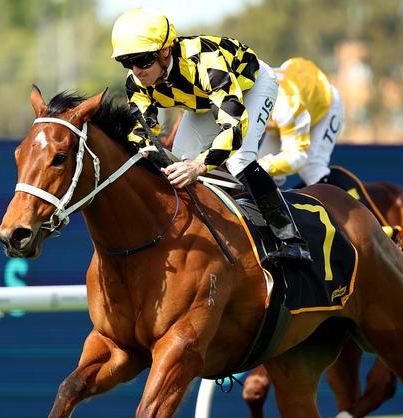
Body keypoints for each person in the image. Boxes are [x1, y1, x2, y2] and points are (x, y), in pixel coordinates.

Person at [110, 7, 311, 263]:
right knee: (178, 160)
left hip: (251, 87)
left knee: (239, 160)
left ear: (165, 51)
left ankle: (291, 239)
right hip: (204, 101)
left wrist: (199, 165)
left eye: (143, 60)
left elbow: (234, 128)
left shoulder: (207, 63)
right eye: (127, 62)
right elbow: (143, 131)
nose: (136, 70)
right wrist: (146, 150)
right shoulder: (135, 82)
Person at [258, 57, 344, 187]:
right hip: (285, 109)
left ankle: (338, 204)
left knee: (311, 168)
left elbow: (298, 157)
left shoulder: (285, 105)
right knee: (260, 173)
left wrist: (264, 165)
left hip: (325, 108)